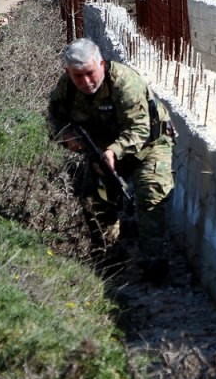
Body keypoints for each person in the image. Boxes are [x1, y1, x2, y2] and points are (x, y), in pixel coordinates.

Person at [48, 37, 175, 282]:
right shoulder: (66, 88)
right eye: (78, 76)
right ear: (68, 73)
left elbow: (140, 129)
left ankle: (154, 263)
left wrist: (114, 152)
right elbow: (55, 119)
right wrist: (68, 139)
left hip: (149, 146)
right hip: (102, 150)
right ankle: (110, 258)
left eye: (90, 73)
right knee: (95, 200)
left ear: (102, 65)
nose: (86, 82)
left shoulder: (125, 83)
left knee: (151, 196)